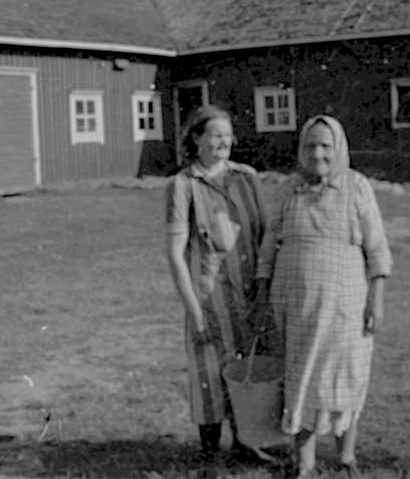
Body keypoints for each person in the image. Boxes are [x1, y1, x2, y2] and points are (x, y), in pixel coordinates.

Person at [254, 115, 392, 479]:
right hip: (295, 301)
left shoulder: (357, 186)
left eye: (326, 146)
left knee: (345, 374)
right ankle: (306, 463)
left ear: (339, 148)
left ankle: (346, 457)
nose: (318, 154)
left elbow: (377, 248)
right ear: (301, 149)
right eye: (311, 146)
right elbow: (269, 243)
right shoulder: (288, 188)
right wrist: (263, 288)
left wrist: (376, 299)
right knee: (302, 375)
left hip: (344, 299)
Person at [165, 105, 268, 462]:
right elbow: (176, 256)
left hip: (250, 296)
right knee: (208, 377)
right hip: (209, 300)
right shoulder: (183, 185)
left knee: (249, 371)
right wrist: (194, 313)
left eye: (227, 135)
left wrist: (263, 291)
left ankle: (246, 446)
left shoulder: (247, 177)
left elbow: (264, 238)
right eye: (215, 134)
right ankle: (210, 456)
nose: (223, 141)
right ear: (196, 139)